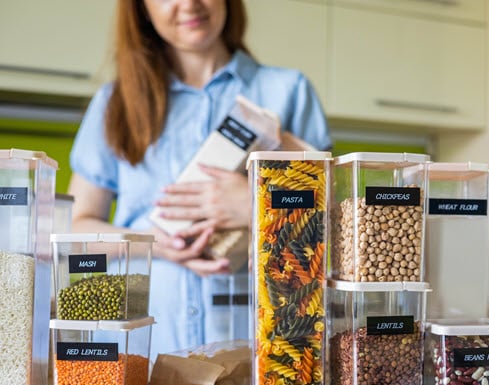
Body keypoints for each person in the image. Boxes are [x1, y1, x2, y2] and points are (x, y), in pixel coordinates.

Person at [68, 0, 331, 357]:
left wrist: (259, 206)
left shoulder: (287, 91)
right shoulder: (115, 102)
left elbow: (334, 226)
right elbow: (74, 234)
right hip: (139, 351)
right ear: (141, 8)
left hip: (261, 352)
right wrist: (152, 243)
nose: (189, 4)